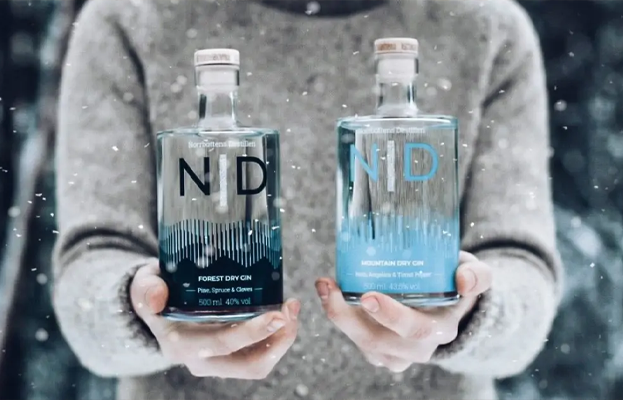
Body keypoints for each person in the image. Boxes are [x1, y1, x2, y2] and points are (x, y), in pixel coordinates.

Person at [52, 0, 562, 399]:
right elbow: (88, 272)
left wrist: (468, 314)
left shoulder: (485, 27)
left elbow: (522, 278)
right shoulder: (131, 18)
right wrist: (141, 309)